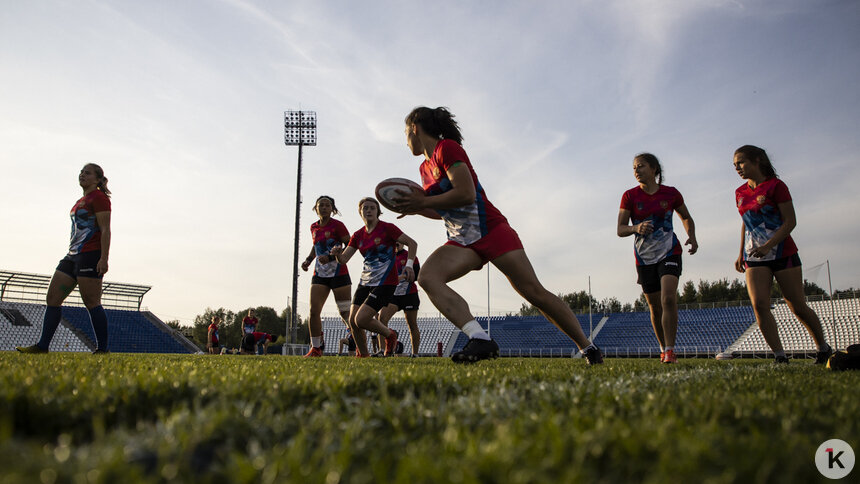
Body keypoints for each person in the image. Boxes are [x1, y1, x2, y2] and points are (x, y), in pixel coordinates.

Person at [394, 106, 603, 364]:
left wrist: (423, 203)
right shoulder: (424, 169)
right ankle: (479, 338)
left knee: (534, 293)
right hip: (461, 240)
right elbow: (443, 211)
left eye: (405, 133)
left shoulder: (446, 148)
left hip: (490, 229)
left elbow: (466, 194)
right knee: (427, 277)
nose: (405, 141)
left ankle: (588, 347)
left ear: (414, 128)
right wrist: (417, 209)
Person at [732, 145, 832, 364]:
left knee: (797, 305)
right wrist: (740, 251)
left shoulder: (776, 186)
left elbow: (790, 221)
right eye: (735, 164)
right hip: (754, 257)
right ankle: (780, 356)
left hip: (783, 252)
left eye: (741, 162)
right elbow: (746, 222)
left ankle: (823, 348)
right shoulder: (739, 192)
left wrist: (769, 245)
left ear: (758, 160)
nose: (737, 167)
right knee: (759, 304)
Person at [17, 163, 113, 355]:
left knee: (91, 301)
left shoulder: (99, 198)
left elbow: (105, 230)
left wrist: (104, 258)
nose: (82, 175)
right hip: (72, 256)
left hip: (90, 255)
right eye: (81, 172)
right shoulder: (80, 200)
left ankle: (102, 350)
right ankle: (43, 346)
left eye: (87, 173)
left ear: (97, 179)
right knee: (53, 298)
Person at [617, 153, 698, 364]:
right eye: (634, 167)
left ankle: (671, 350)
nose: (636, 170)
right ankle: (662, 348)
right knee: (654, 306)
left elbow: (686, 216)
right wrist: (636, 227)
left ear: (654, 169)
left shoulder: (671, 194)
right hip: (644, 258)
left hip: (670, 252)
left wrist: (691, 235)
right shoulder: (629, 196)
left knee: (668, 298)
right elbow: (620, 229)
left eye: (641, 166)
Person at [330, 197, 417, 357]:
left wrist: (409, 265)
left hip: (386, 282)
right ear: (360, 212)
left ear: (378, 212)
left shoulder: (387, 228)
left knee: (361, 319)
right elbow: (344, 259)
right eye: (365, 208)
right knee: (352, 321)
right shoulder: (357, 235)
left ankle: (390, 335)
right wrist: (337, 255)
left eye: (372, 208)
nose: (368, 210)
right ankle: (363, 355)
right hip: (365, 281)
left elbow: (412, 243)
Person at [301, 196, 353, 357]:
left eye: (327, 205)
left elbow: (350, 244)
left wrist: (331, 257)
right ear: (315, 209)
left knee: (344, 312)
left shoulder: (338, 225)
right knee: (314, 311)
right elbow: (316, 246)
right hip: (320, 274)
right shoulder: (313, 227)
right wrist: (309, 260)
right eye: (320, 205)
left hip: (339, 273)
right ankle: (316, 347)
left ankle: (358, 342)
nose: (324, 208)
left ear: (332, 209)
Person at [377, 242, 422, 357]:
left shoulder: (410, 256)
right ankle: (382, 351)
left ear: (403, 244)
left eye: (398, 243)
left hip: (409, 294)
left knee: (412, 324)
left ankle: (415, 354)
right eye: (394, 243)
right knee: (381, 319)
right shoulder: (386, 257)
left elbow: (417, 275)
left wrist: (405, 276)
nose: (396, 246)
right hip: (393, 295)